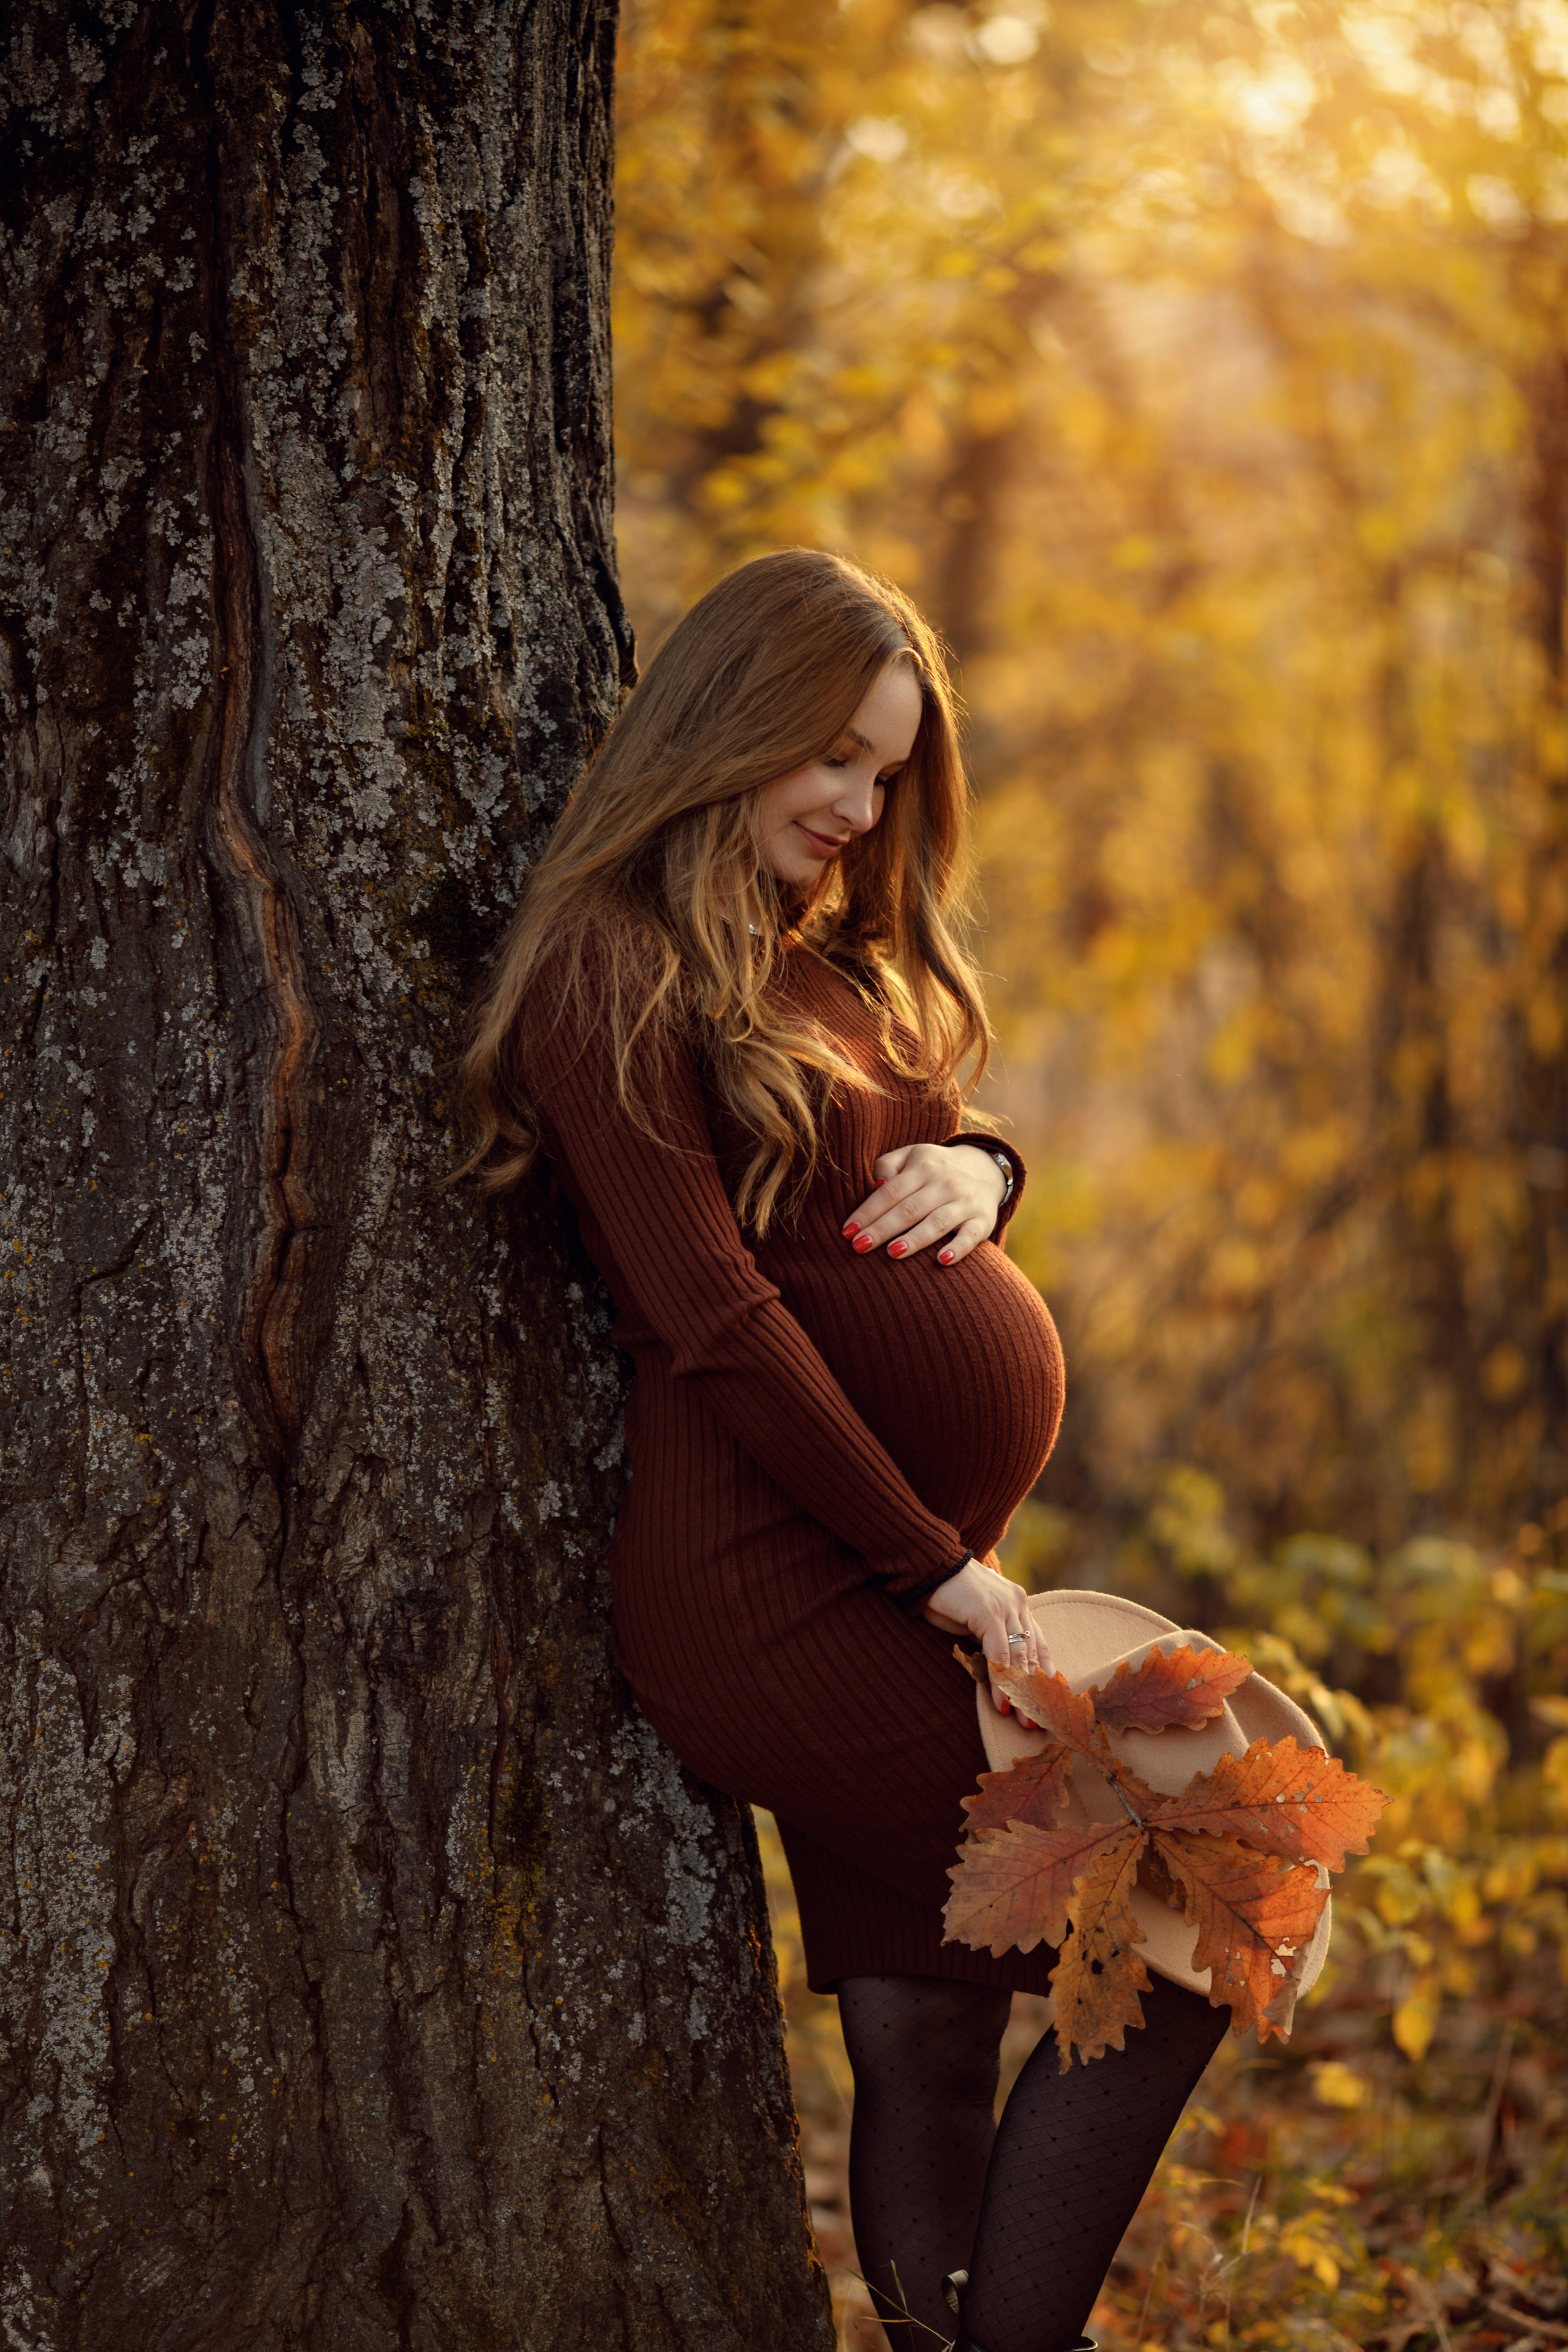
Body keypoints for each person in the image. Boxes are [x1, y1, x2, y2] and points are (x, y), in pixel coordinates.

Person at [461, 550, 1226, 2352]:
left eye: (884, 772)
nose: (856, 804)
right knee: (1197, 1914)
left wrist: (995, 1168)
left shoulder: (816, 970)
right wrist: (939, 1570)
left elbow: (918, 1164)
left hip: (882, 1580)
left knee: (926, 2024)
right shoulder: (607, 968)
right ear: (726, 721)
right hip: (780, 1603)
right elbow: (713, 1317)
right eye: (827, 755)